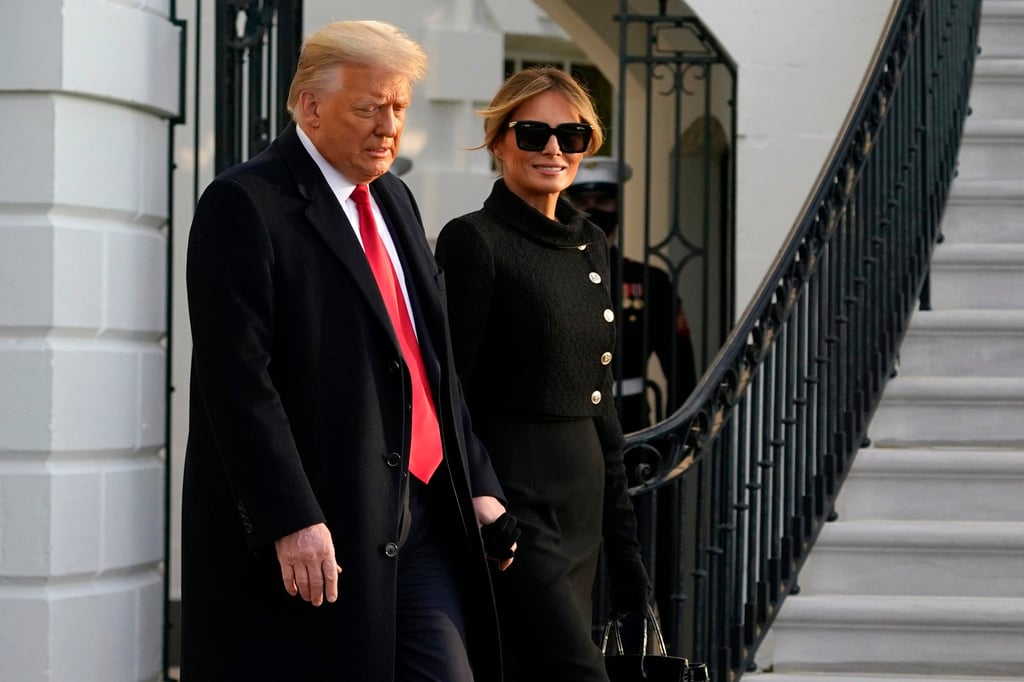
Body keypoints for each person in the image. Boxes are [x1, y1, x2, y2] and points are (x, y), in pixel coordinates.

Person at [180, 20, 518, 681]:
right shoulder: (245, 204)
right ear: (309, 105)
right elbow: (238, 382)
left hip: (419, 516)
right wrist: (291, 516)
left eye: (398, 107)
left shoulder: (394, 198)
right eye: (369, 107)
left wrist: (476, 481)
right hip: (322, 527)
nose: (389, 126)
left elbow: (430, 363)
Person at [435, 66, 651, 682]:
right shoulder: (473, 241)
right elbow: (447, 385)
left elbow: (601, 401)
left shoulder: (590, 243)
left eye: (572, 135)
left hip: (582, 493)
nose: (554, 149)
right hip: (513, 499)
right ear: (499, 141)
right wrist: (478, 495)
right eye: (532, 134)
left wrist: (624, 541)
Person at [565, 157, 698, 433]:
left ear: (618, 206)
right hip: (564, 420)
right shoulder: (549, 270)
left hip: (629, 417)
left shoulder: (650, 280)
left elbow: (679, 366)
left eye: (602, 200)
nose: (592, 209)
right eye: (582, 201)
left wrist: (677, 431)